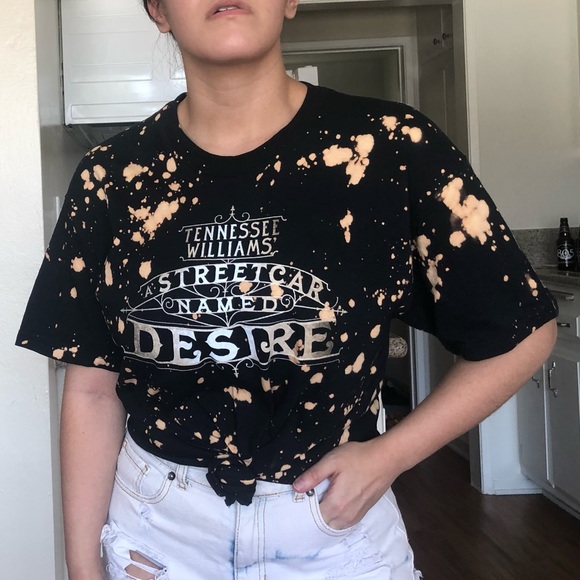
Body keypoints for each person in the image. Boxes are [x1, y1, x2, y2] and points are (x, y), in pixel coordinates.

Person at [17, 1, 557, 578]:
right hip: (158, 535)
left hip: (334, 532)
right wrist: (83, 569)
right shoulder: (109, 179)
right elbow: (92, 392)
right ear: (158, 10)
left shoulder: (390, 148)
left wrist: (390, 456)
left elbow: (522, 331)